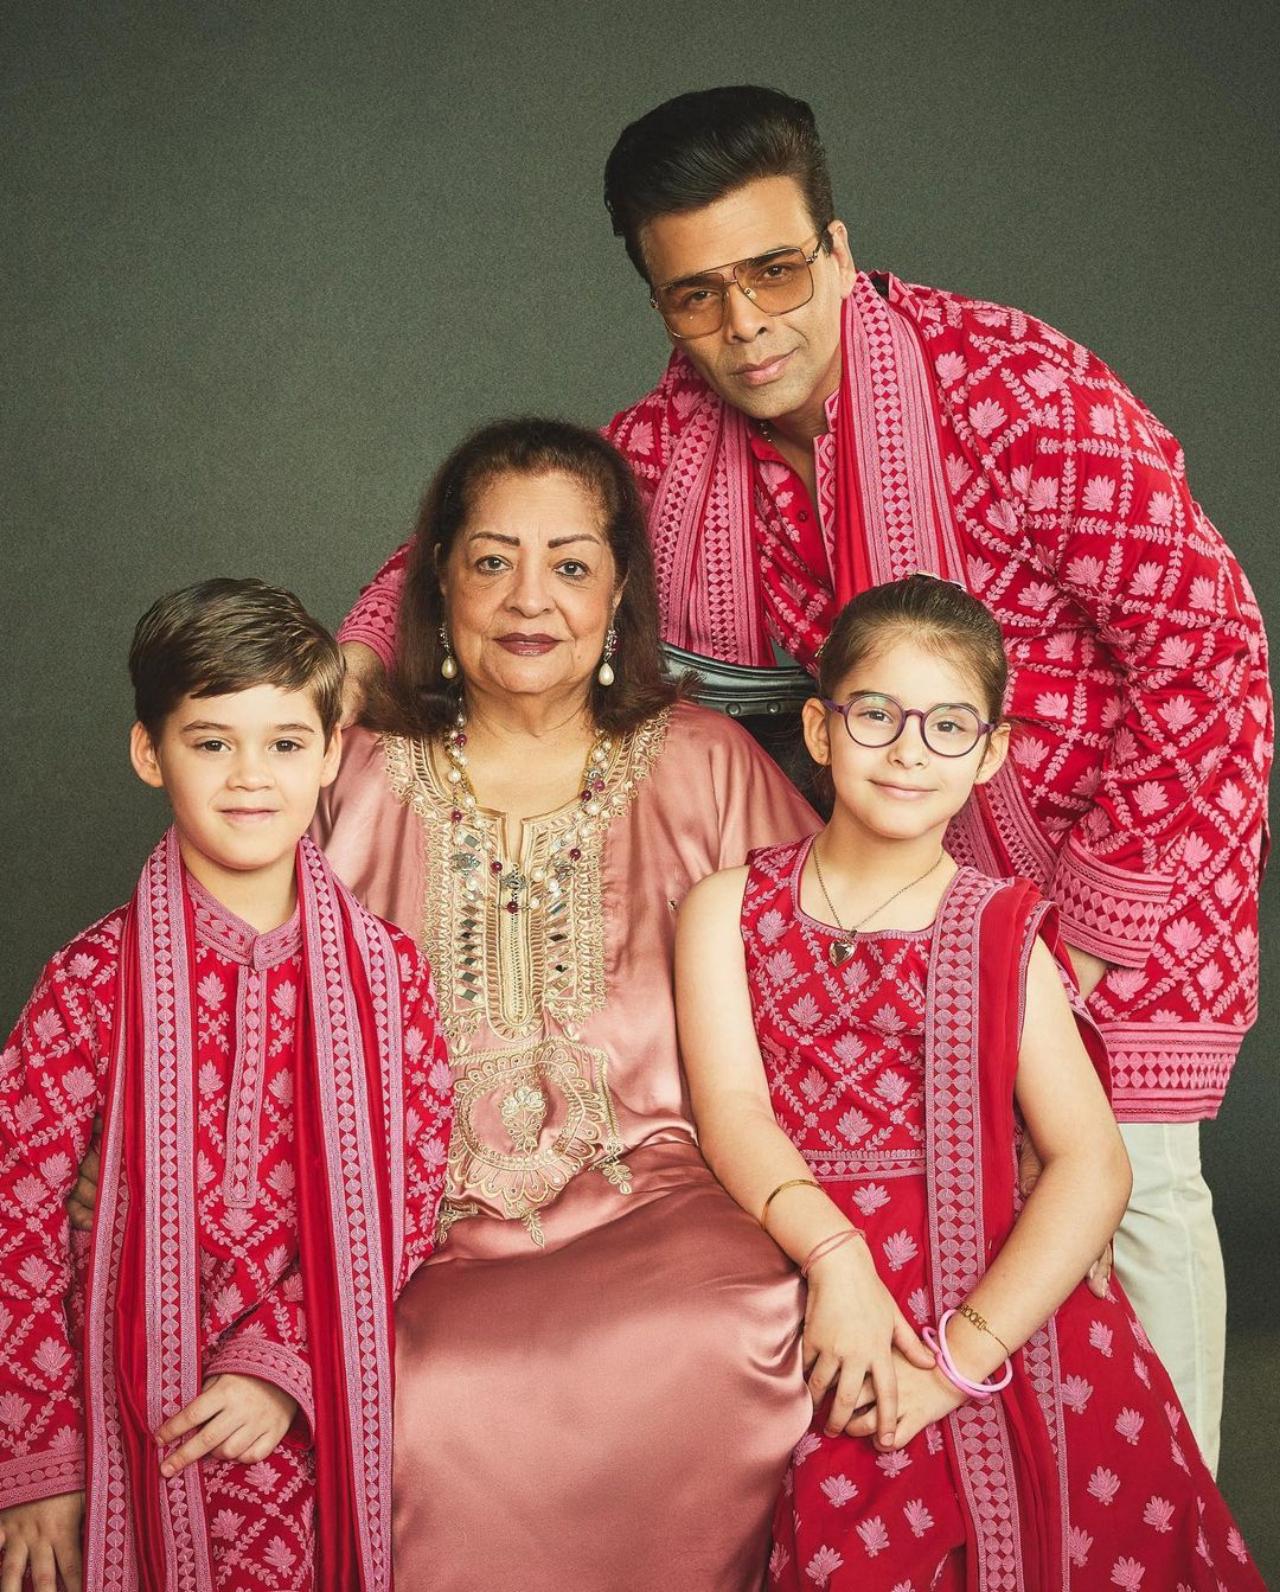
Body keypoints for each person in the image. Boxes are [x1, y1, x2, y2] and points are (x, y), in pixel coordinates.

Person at [335, 88, 1271, 1469]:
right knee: (888, 1214)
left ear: (835, 245)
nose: (747, 325)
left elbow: (1210, 651)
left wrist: (1087, 925)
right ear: (660, 302)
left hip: (1111, 865)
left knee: (1126, 1203)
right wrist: (320, 688)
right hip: (887, 889)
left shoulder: (1016, 385)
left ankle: (1167, 1517)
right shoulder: (670, 439)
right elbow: (497, 549)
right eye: (698, 294)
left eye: (775, 272)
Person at [314, 418, 825, 1590]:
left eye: (570, 563)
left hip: (665, 1197)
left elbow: (843, 989)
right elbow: (228, 996)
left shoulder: (700, 762)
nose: (527, 598)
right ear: (436, 575)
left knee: (730, 1322)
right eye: (491, 559)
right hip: (412, 1227)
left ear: (619, 589)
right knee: (411, 1387)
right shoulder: (346, 772)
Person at [676, 574, 1263, 1589]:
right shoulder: (725, 905)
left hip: (997, 1290)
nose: (908, 750)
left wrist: (959, 1360)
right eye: (876, 715)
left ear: (989, 750)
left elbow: (1090, 1162)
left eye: (948, 725)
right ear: (819, 727)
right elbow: (731, 1109)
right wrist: (836, 1259)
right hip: (810, 1267)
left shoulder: (1001, 929)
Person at [0, 580, 452, 1592]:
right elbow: (13, 1211)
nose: (252, 776)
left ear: (332, 752)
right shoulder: (89, 982)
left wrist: (280, 1360)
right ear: (148, 752)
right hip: (112, 1399)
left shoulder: (391, 976)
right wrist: (37, 1462)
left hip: (298, 1403)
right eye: (212, 742)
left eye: (286, 743)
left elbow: (406, 1194)